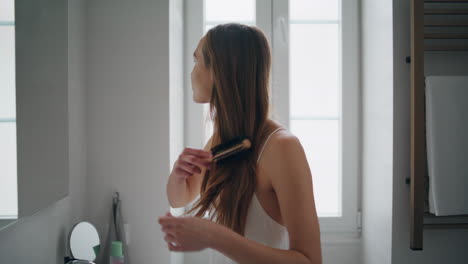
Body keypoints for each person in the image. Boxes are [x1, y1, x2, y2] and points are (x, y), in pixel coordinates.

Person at [159, 23, 322, 264]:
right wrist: (177, 175)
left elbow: (310, 261)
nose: (192, 72)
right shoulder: (223, 141)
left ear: (219, 72)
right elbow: (179, 198)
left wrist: (213, 236)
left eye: (197, 62)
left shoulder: (281, 147)